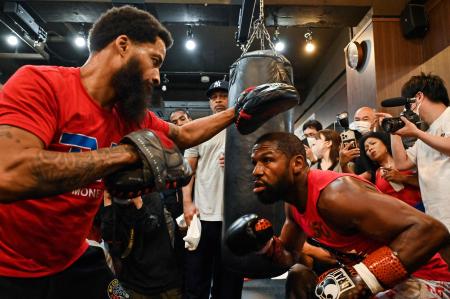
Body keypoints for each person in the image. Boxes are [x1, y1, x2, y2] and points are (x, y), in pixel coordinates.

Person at [0, 6, 238, 298]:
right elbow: (8, 172)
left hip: (73, 259)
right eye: (154, 61)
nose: (156, 76)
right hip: (10, 267)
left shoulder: (129, 117)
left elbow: (182, 135)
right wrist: (126, 154)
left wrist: (239, 112)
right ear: (122, 45)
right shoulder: (41, 83)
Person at [238, 132, 450, 298]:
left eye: (267, 160)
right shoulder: (292, 205)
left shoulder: (336, 194)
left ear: (297, 164)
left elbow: (432, 231)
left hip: (425, 281)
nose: (256, 171)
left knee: (340, 289)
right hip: (381, 281)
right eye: (254, 163)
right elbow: (289, 255)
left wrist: (363, 278)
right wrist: (265, 246)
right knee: (299, 276)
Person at [182, 80, 243, 299]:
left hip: (232, 217)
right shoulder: (199, 129)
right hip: (203, 215)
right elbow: (187, 171)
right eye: (213, 96)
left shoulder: (242, 129)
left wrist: (240, 162)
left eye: (223, 95)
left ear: (231, 98)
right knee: (197, 278)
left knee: (229, 282)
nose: (218, 100)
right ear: (209, 102)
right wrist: (187, 204)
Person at [386, 73, 450, 263]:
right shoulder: (426, 133)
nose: (410, 109)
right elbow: (402, 163)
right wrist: (394, 132)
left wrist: (416, 132)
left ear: (419, 97)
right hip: (438, 216)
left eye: (409, 104)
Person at [101, 191, 182, 299]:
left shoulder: (150, 195)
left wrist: (138, 202)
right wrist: (107, 200)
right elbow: (108, 235)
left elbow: (150, 227)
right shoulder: (114, 203)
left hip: (164, 284)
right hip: (133, 284)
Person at [359, 131, 424, 211]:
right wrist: (344, 165)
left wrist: (403, 178)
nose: (370, 148)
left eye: (373, 143)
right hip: (396, 215)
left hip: (419, 211)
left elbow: (426, 182)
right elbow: (353, 181)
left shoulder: (407, 160)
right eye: (366, 149)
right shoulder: (374, 173)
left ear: (385, 144)